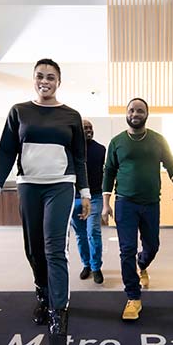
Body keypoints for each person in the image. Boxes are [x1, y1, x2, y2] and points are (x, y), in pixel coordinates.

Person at [0, 58, 90, 345]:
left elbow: (79, 158)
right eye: (40, 76)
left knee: (56, 248)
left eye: (51, 77)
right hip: (29, 186)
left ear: (59, 81)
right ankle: (43, 292)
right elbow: (6, 152)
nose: (45, 81)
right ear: (34, 79)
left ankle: (59, 311)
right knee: (34, 249)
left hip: (61, 186)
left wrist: (85, 193)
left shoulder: (71, 116)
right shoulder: (19, 112)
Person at [101, 98, 173, 321]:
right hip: (125, 203)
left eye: (140, 110)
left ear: (147, 114)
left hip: (150, 203)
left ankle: (142, 264)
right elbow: (109, 172)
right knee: (126, 249)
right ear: (126, 113)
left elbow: (172, 165)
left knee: (153, 245)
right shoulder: (117, 142)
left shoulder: (158, 140)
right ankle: (133, 297)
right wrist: (105, 204)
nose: (135, 113)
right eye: (132, 110)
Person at [71, 119, 106, 284]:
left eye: (90, 127)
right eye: (85, 128)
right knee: (80, 234)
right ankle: (86, 264)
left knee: (93, 232)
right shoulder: (70, 150)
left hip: (95, 197)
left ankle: (96, 267)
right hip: (75, 197)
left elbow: (106, 173)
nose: (88, 130)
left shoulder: (101, 150)